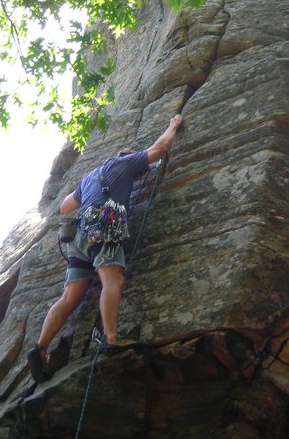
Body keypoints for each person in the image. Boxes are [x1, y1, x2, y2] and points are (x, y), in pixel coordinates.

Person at [27, 114, 183, 383]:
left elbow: (65, 206)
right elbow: (159, 149)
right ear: (130, 159)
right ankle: (112, 337)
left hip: (78, 238)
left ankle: (40, 348)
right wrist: (172, 126)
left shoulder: (90, 176)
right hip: (104, 227)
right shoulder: (126, 162)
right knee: (113, 279)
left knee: (70, 297)